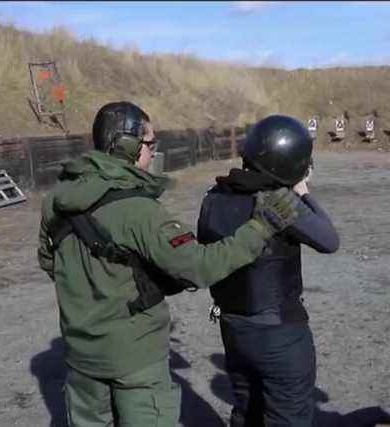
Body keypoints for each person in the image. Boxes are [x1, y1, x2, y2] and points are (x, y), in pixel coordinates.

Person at [37, 102, 301, 427]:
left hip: (81, 357)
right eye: (149, 144)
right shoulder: (139, 211)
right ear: (128, 146)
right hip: (135, 360)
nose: (152, 152)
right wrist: (261, 227)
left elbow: (50, 262)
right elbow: (200, 267)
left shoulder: (56, 199)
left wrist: (100, 291)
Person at [197, 114, 340, 427]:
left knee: (247, 412)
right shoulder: (277, 201)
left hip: (232, 327)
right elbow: (329, 240)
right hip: (279, 335)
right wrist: (303, 192)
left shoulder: (214, 197)